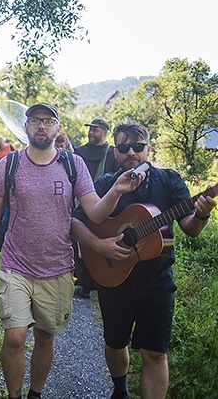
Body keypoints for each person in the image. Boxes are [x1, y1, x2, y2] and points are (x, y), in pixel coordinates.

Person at [0, 103, 142, 399]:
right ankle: (15, 396)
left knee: (45, 337)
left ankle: (35, 393)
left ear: (57, 128)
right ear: (26, 127)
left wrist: (116, 191)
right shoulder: (9, 164)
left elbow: (95, 213)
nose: (41, 126)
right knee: (15, 337)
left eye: (48, 121)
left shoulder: (73, 165)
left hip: (58, 268)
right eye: (35, 120)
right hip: (16, 265)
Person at [71, 122, 216, 399]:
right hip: (114, 280)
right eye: (124, 148)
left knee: (155, 351)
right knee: (115, 343)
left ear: (148, 149)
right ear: (115, 152)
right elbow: (75, 222)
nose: (131, 153)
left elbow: (190, 228)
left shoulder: (169, 181)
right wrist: (100, 245)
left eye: (138, 147)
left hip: (158, 281)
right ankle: (120, 390)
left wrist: (201, 214)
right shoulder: (104, 184)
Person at [73, 118, 120, 298]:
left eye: (96, 130)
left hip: (104, 203)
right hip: (78, 202)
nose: (92, 133)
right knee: (78, 240)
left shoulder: (111, 154)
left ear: (104, 133)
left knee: (99, 240)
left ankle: (98, 280)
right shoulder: (79, 153)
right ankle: (81, 281)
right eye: (91, 129)